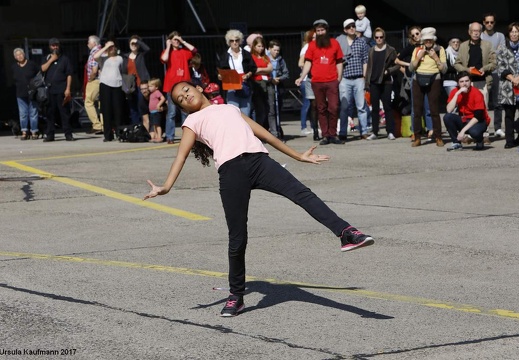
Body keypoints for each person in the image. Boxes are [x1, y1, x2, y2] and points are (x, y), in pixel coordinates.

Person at [143, 81, 374, 317]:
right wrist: (167, 187)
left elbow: (265, 134)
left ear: (199, 89)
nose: (185, 97)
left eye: (186, 91)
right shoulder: (192, 122)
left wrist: (297, 156)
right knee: (237, 237)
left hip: (260, 162)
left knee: (303, 194)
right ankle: (236, 296)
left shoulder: (230, 108)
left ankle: (346, 233)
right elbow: (181, 156)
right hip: (231, 173)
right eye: (180, 100)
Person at [295, 19, 344, 145]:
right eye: (318, 30)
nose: (320, 33)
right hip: (317, 81)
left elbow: (339, 61)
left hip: (332, 80)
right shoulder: (312, 46)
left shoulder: (334, 43)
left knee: (333, 107)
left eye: (322, 30)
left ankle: (333, 134)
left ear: (326, 30)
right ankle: (325, 135)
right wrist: (302, 77)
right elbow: (308, 62)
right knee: (321, 108)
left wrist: (339, 78)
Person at [409, 27, 447, 147]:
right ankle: (417, 137)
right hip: (418, 79)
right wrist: (419, 57)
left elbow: (444, 69)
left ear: (433, 39)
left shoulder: (440, 49)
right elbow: (411, 68)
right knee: (417, 110)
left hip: (434, 79)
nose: (428, 42)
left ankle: (438, 137)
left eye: (430, 40)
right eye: (426, 40)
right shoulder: (417, 49)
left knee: (434, 110)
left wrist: (435, 58)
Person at [395, 26, 434, 141]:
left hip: (427, 75)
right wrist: (408, 65)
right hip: (414, 77)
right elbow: (397, 60)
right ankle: (415, 131)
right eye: (413, 35)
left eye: (417, 33)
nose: (416, 36)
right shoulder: (410, 48)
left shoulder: (427, 45)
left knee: (428, 105)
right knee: (415, 106)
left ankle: (430, 130)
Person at [161, 31, 197, 144]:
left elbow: (194, 51)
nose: (176, 42)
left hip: (184, 85)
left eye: (177, 39)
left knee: (185, 112)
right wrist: (168, 46)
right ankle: (169, 136)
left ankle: (186, 136)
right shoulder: (168, 52)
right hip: (171, 87)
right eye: (174, 39)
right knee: (171, 113)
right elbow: (164, 59)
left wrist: (183, 41)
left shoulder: (184, 52)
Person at [337, 18, 370, 141]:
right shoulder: (340, 42)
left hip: (358, 78)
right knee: (344, 107)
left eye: (353, 26)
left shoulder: (361, 42)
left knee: (361, 107)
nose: (352, 28)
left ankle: (364, 131)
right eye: (349, 27)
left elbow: (365, 60)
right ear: (345, 30)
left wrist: (364, 76)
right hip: (345, 78)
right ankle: (343, 132)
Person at [364, 28, 400, 140]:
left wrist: (388, 71)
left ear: (384, 38)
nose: (379, 39)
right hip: (374, 82)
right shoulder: (371, 50)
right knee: (374, 108)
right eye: (376, 37)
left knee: (387, 107)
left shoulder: (390, 50)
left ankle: (390, 131)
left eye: (381, 37)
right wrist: (367, 83)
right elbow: (369, 68)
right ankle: (375, 132)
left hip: (386, 81)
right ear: (374, 38)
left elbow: (397, 65)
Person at [443, 71, 491, 151]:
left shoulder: (477, 93)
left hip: (478, 121)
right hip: (464, 119)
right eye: (461, 82)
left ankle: (479, 140)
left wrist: (462, 131)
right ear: (458, 83)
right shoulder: (455, 92)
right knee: (447, 117)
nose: (464, 84)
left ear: (470, 81)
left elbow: (478, 116)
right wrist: (457, 94)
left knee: (474, 132)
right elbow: (449, 110)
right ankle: (456, 143)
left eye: (467, 81)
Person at [41, 37, 75, 142]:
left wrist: (68, 89)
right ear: (50, 46)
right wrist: (51, 59)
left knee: (64, 113)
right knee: (50, 114)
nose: (55, 47)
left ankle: (68, 134)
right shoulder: (46, 58)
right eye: (53, 45)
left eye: (56, 45)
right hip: (50, 90)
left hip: (61, 90)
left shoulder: (65, 59)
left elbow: (69, 74)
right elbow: (42, 69)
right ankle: (50, 134)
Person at [217, 29, 257, 117]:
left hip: (244, 84)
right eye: (232, 41)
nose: (234, 42)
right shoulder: (225, 55)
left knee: (245, 112)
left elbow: (253, 68)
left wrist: (248, 75)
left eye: (237, 40)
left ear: (240, 41)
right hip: (231, 84)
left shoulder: (246, 54)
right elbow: (220, 68)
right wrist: (220, 76)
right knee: (233, 112)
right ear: (228, 42)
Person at [94, 39, 125, 142]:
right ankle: (108, 135)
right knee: (106, 110)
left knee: (118, 110)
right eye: (109, 47)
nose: (111, 48)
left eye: (113, 47)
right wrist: (106, 47)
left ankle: (119, 133)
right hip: (105, 85)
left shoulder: (119, 58)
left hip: (117, 85)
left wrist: (112, 47)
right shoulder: (103, 58)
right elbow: (95, 56)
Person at [481, 13, 506, 138]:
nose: (489, 24)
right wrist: (494, 51)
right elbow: (482, 54)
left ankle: (497, 128)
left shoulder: (500, 36)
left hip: (497, 72)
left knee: (497, 103)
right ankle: (484, 127)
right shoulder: (479, 35)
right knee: (483, 102)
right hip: (483, 73)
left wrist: (489, 52)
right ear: (483, 23)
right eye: (487, 22)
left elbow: (502, 52)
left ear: (494, 23)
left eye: (491, 22)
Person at [496, 22, 519, 149]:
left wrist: (518, 78)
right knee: (509, 115)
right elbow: (500, 67)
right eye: (512, 31)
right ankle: (509, 140)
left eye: (516, 31)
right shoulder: (502, 48)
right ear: (508, 33)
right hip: (507, 86)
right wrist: (513, 79)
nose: (514, 34)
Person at [12, 47, 40, 140]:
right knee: (23, 114)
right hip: (20, 93)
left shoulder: (32, 64)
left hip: (32, 92)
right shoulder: (14, 67)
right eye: (17, 55)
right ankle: (24, 131)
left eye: (21, 54)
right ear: (15, 57)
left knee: (33, 113)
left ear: (24, 55)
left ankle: (34, 131)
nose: (19, 56)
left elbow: (39, 74)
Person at [123, 35, 151, 125]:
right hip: (130, 85)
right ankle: (136, 126)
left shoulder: (141, 55)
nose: (134, 45)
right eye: (132, 43)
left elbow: (148, 49)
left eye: (136, 44)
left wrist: (138, 41)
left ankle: (145, 126)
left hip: (140, 84)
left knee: (141, 106)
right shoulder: (125, 57)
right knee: (132, 107)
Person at [250, 37, 275, 135]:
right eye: (258, 46)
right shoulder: (252, 57)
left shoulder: (265, 57)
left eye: (262, 46)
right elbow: (254, 70)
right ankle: (259, 133)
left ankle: (273, 131)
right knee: (260, 109)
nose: (260, 48)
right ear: (254, 47)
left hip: (267, 82)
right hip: (257, 84)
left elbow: (270, 68)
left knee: (270, 108)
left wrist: (260, 69)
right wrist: (263, 69)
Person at [267, 39, 289, 138]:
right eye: (274, 50)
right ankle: (273, 131)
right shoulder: (265, 59)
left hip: (278, 86)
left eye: (278, 50)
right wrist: (271, 79)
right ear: (269, 49)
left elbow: (286, 73)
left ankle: (277, 129)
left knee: (278, 109)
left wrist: (279, 78)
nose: (276, 52)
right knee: (271, 110)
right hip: (269, 86)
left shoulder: (281, 60)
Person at [298, 30, 317, 138]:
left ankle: (313, 125)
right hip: (306, 79)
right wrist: (309, 66)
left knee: (314, 105)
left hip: (315, 78)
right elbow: (300, 62)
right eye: (313, 37)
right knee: (307, 104)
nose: (315, 39)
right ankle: (303, 127)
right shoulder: (307, 48)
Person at [84, 35, 103, 135]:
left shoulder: (95, 52)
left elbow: (94, 68)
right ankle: (104, 125)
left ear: (94, 43)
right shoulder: (102, 50)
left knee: (88, 102)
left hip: (95, 80)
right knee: (101, 103)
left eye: (89, 42)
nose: (87, 44)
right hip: (102, 80)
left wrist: (91, 78)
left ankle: (97, 125)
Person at [148, 78, 166, 143]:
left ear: (156, 87)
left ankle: (159, 136)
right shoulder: (151, 94)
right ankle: (155, 136)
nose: (149, 88)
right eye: (149, 86)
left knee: (157, 125)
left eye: (151, 86)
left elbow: (163, 98)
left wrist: (158, 105)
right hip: (152, 112)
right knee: (154, 125)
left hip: (156, 111)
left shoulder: (157, 92)